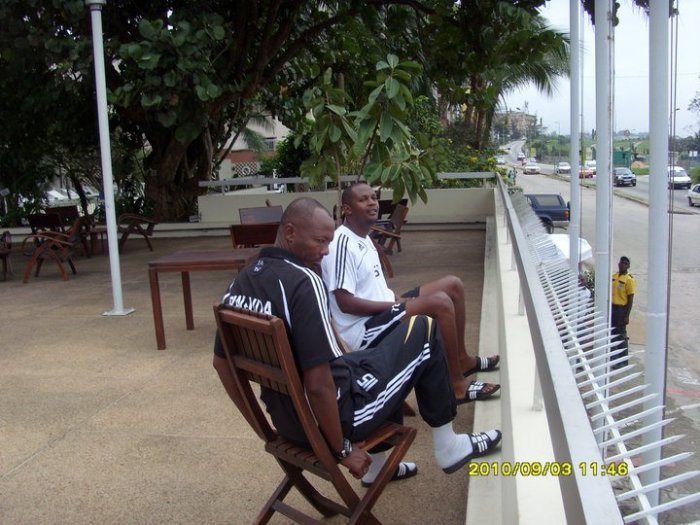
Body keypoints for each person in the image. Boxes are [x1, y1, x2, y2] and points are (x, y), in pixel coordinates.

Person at [213, 198, 502, 485]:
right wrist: (342, 449)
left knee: (379, 356)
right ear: (290, 233)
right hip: (342, 418)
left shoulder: (242, 281)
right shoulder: (303, 282)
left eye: (329, 242)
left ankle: (378, 468)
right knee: (424, 327)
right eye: (320, 241)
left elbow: (222, 364)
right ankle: (449, 447)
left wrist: (264, 431)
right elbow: (318, 385)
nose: (326, 251)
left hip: (289, 423)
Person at [321, 182, 500, 404]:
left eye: (373, 198)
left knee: (452, 285)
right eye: (363, 199)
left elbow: (372, 288)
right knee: (440, 303)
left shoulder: (364, 238)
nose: (372, 203)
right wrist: (395, 306)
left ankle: (462, 360)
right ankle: (455, 386)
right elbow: (345, 302)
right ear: (347, 209)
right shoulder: (342, 243)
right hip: (363, 330)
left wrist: (397, 299)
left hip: (383, 313)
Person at [610, 256, 636, 369]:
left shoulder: (629, 280)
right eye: (621, 263)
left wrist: (626, 315)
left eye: (625, 263)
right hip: (612, 307)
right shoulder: (614, 277)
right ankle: (614, 357)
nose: (622, 265)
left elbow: (630, 299)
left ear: (628, 266)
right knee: (612, 332)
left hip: (621, 309)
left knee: (621, 335)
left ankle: (623, 360)